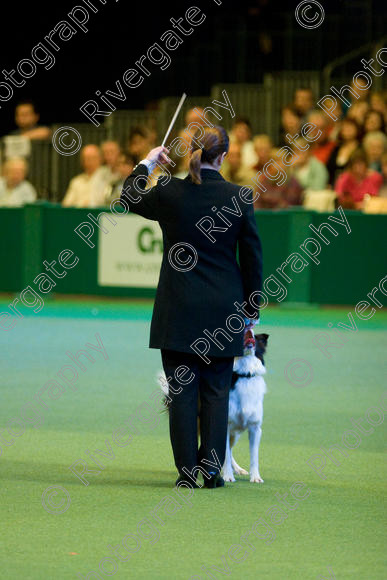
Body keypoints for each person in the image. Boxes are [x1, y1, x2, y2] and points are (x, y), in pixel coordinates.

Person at [120, 126, 263, 489]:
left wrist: (148, 162)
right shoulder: (239, 196)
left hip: (178, 308)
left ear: (190, 154)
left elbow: (128, 197)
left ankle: (186, 473)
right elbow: (252, 256)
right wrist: (252, 304)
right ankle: (212, 472)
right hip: (223, 309)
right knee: (216, 390)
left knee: (182, 391)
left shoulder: (169, 191)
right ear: (225, 156)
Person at [326, 118, 361, 185]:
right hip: (334, 184)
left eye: (350, 127)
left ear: (357, 129)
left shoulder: (360, 148)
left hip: (354, 185)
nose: (347, 130)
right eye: (345, 127)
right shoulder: (337, 148)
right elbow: (329, 168)